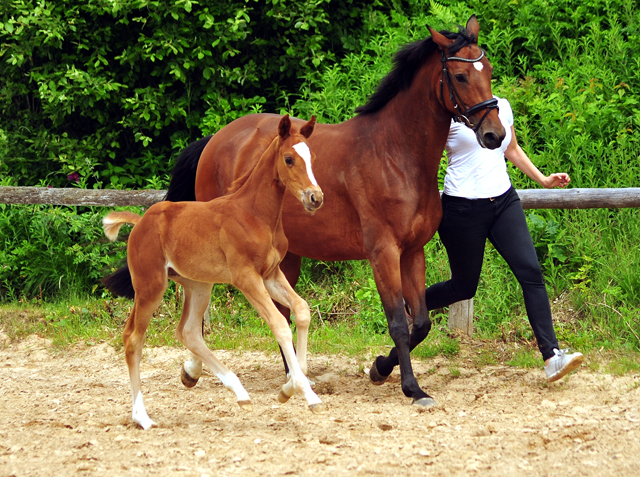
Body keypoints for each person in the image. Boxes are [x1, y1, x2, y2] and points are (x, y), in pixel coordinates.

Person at [427, 96, 583, 381]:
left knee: (531, 273)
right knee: (463, 287)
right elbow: (425, 159)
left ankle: (552, 357)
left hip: (503, 201)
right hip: (462, 208)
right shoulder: (448, 116)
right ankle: (409, 304)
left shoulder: (503, 106)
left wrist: (543, 180)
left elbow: (510, 148)